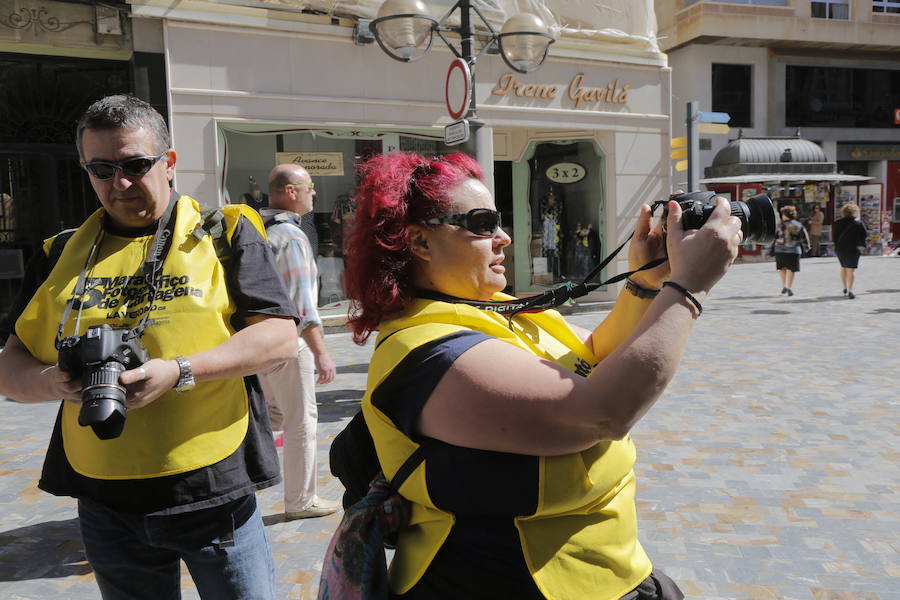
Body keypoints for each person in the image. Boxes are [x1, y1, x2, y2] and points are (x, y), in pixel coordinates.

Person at [340, 152, 742, 600]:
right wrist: (687, 289)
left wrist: (646, 282)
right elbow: (600, 414)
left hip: (610, 572)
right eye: (481, 222)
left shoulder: (495, 311)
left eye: (499, 221)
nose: (503, 237)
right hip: (507, 582)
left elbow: (595, 358)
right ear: (419, 241)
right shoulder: (423, 349)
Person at [0, 95, 299, 599]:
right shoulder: (59, 253)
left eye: (136, 165)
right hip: (104, 498)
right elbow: (11, 363)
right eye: (101, 169)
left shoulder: (225, 231)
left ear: (170, 163)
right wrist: (52, 382)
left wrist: (181, 370)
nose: (119, 183)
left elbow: (279, 336)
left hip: (211, 490)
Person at [259, 164, 339, 519]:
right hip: (289, 343)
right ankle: (301, 501)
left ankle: (238, 479)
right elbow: (302, 306)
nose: (314, 193)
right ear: (291, 191)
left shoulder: (258, 229)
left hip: (259, 341)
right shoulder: (291, 237)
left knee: (270, 414)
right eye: (309, 187)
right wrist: (322, 353)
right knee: (300, 422)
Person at [832, 202, 868, 299]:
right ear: (855, 212)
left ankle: (844, 287)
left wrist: (836, 245)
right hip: (853, 249)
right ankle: (850, 290)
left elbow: (834, 237)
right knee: (850, 270)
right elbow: (864, 235)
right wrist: (862, 245)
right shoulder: (858, 223)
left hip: (840, 248)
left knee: (843, 267)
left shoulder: (837, 222)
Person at [773, 205, 809, 296]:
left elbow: (774, 238)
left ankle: (784, 286)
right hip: (794, 249)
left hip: (779, 249)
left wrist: (769, 250)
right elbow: (804, 237)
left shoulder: (778, 225)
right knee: (791, 269)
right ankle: (789, 287)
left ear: (785, 215)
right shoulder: (798, 225)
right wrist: (806, 247)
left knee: (781, 268)